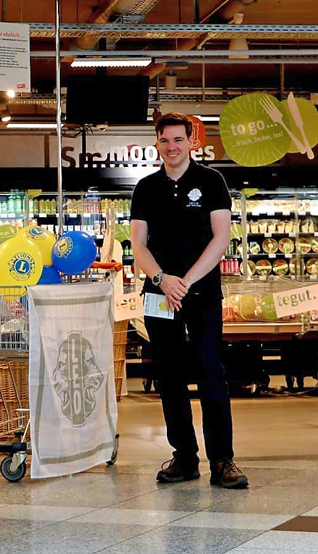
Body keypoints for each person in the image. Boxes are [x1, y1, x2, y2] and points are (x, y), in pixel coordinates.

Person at [130, 112, 248, 489]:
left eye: (178, 139)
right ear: (157, 144)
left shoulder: (212, 181)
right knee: (169, 374)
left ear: (191, 141)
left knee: (211, 371)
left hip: (202, 293)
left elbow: (221, 237)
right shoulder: (145, 188)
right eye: (164, 140)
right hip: (158, 294)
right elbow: (138, 245)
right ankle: (184, 456)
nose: (172, 147)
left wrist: (186, 281)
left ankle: (223, 460)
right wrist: (162, 280)